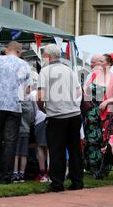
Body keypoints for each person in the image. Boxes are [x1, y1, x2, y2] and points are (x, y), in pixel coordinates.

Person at [0, 41, 32, 184]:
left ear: (6, 50)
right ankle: (6, 176)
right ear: (19, 52)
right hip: (13, 106)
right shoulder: (24, 65)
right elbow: (27, 90)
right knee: (10, 142)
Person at [37, 44, 83, 192]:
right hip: (74, 114)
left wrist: (42, 108)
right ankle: (77, 182)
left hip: (56, 115)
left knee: (57, 150)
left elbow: (40, 96)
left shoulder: (45, 71)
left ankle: (57, 184)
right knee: (75, 149)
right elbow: (78, 92)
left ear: (48, 57)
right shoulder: (69, 70)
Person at [83, 53, 113, 178]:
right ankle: (92, 167)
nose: (99, 63)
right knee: (92, 140)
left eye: (102, 61)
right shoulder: (94, 75)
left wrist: (106, 101)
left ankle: (104, 168)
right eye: (99, 61)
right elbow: (85, 90)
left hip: (107, 114)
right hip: (92, 113)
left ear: (109, 64)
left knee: (104, 141)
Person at [13, 84, 36, 183]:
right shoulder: (29, 104)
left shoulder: (16, 102)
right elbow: (31, 119)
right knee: (24, 153)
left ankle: (15, 173)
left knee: (16, 153)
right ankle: (22, 173)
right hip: (26, 130)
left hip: (17, 130)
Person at [29, 89, 50, 182]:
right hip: (51, 118)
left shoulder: (33, 94)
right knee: (49, 147)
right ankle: (50, 172)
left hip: (40, 119)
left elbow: (32, 111)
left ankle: (43, 173)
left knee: (41, 147)